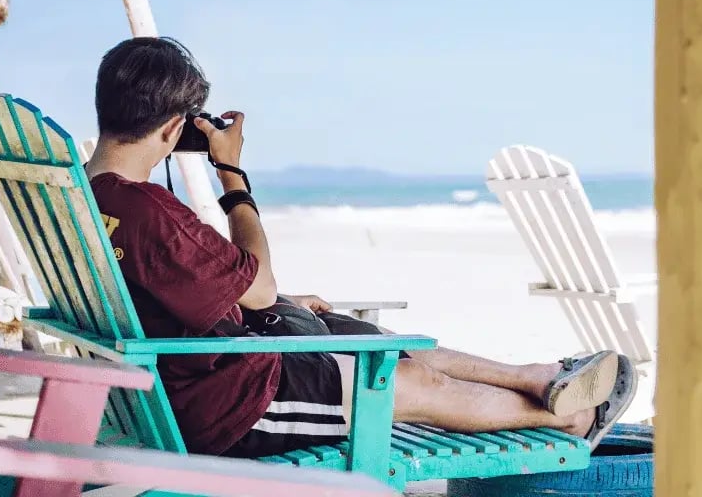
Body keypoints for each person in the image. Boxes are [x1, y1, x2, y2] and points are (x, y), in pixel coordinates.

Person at [84, 36, 637, 459]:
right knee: (406, 380)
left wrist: (273, 301)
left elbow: (180, 285)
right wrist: (232, 173)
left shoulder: (87, 195)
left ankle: (536, 377)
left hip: (182, 375)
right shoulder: (148, 211)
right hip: (228, 405)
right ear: (176, 126)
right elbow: (260, 286)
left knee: (371, 340)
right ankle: (570, 420)